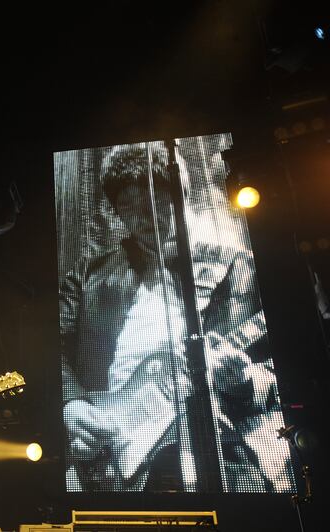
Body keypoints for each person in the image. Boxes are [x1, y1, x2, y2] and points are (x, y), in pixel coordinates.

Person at [59, 142, 284, 492]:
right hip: (109, 459)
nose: (144, 218)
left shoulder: (243, 270)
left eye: (156, 202)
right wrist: (70, 404)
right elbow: (51, 350)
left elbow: (297, 375)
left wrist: (246, 381)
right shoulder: (88, 276)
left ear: (182, 196)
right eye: (129, 208)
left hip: (222, 461)